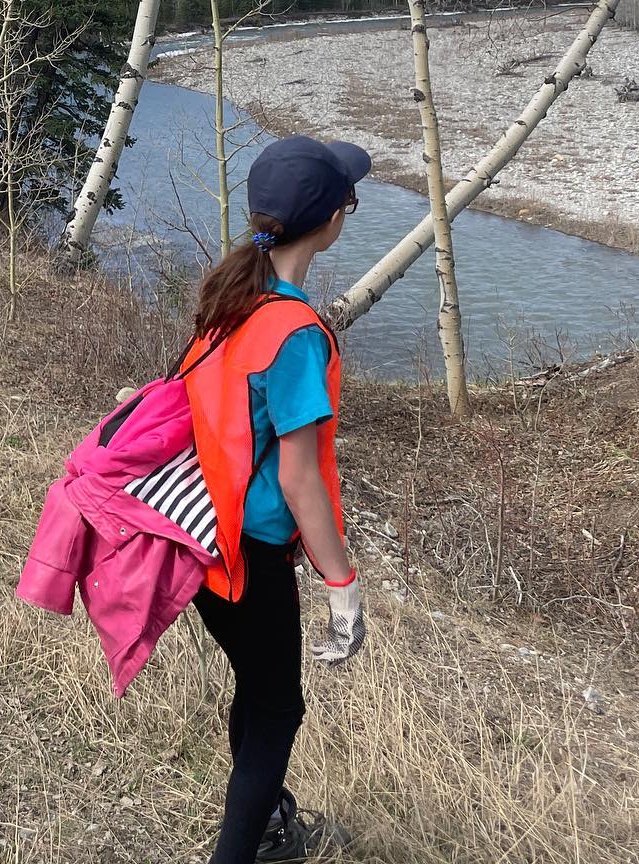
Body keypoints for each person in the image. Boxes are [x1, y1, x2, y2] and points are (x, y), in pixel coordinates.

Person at [185, 134, 371, 864]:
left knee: (258, 690)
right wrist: (342, 585)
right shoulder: (296, 333)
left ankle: (266, 824)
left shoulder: (234, 300)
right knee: (278, 711)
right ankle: (246, 850)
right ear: (332, 220)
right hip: (251, 558)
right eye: (347, 200)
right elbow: (299, 480)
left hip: (203, 539)